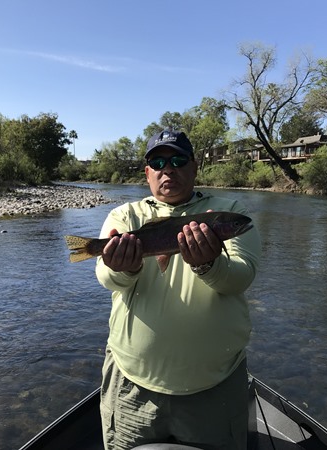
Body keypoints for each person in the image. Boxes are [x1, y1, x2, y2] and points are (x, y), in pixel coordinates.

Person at [95, 129, 262, 450]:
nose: (167, 169)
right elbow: (106, 277)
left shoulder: (228, 211)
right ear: (147, 173)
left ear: (195, 166)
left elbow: (241, 278)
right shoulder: (125, 215)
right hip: (131, 385)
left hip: (215, 387)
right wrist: (125, 266)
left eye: (177, 160)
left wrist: (208, 264)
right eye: (157, 162)